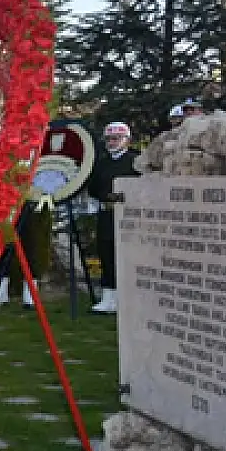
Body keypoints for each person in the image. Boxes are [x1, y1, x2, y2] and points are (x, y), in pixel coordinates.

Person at [87, 121, 140, 314]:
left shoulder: (136, 161)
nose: (112, 142)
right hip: (107, 215)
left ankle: (130, 299)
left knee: (128, 256)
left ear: (126, 140)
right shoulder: (100, 163)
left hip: (130, 216)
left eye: (116, 138)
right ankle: (109, 299)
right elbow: (92, 188)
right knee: (107, 255)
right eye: (109, 139)